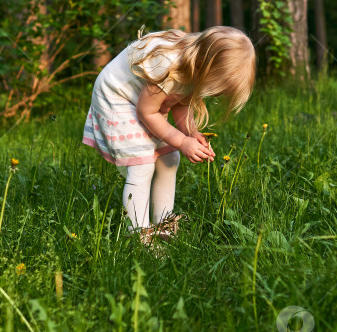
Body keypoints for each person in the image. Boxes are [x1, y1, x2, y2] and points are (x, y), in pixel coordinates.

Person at [82, 26, 256, 243]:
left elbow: (180, 102)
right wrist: (182, 141)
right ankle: (138, 234)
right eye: (217, 88)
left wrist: (190, 133)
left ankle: (163, 225)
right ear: (207, 65)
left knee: (170, 158)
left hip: (144, 102)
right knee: (141, 165)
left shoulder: (195, 64)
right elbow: (147, 111)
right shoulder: (168, 65)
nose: (217, 94)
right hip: (117, 96)